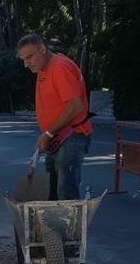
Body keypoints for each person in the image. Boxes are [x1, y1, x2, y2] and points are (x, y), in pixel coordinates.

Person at [17, 34, 92, 200]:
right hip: (56, 138)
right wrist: (47, 135)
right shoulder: (44, 68)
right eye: (23, 59)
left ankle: (70, 226)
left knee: (65, 192)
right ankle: (55, 225)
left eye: (29, 57)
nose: (26, 64)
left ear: (43, 49)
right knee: (52, 191)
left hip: (72, 136)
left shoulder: (60, 67)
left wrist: (48, 133)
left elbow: (75, 105)